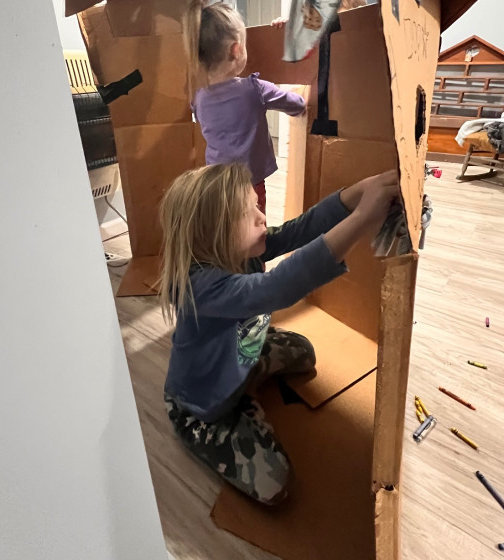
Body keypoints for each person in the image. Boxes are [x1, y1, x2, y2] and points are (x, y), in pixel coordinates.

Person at [159, 163, 398, 505]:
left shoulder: (241, 247)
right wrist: (361, 218)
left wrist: (358, 191)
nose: (261, 217)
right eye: (247, 213)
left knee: (305, 353)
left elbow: (299, 229)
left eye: (257, 205)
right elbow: (276, 288)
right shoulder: (197, 285)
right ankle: (228, 410)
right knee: (275, 485)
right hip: (203, 403)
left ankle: (247, 371)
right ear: (212, 233)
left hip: (240, 355)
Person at [184, 0, 307, 215]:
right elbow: (297, 105)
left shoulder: (197, 96)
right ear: (236, 50)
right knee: (255, 226)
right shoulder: (254, 89)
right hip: (249, 183)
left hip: (215, 182)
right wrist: (300, 97)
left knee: (225, 226)